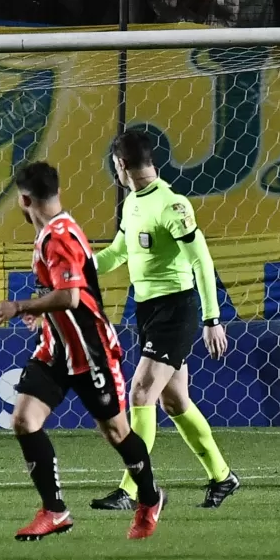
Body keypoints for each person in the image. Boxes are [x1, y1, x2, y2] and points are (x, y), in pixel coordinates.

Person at [0, 158, 166, 542]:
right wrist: (43, 316)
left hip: (90, 352)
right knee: (24, 420)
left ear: (23, 200)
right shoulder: (51, 233)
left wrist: (20, 306)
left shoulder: (60, 237)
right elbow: (65, 293)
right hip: (55, 350)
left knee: (117, 432)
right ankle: (54, 511)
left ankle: (150, 498)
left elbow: (70, 297)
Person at [86, 127, 239, 514]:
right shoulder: (133, 203)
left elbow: (201, 261)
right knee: (175, 401)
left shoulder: (172, 205)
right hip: (149, 311)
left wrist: (212, 318)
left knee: (140, 394)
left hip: (178, 309)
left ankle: (133, 490)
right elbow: (119, 252)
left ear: (120, 165)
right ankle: (222, 476)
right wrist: (80, 267)